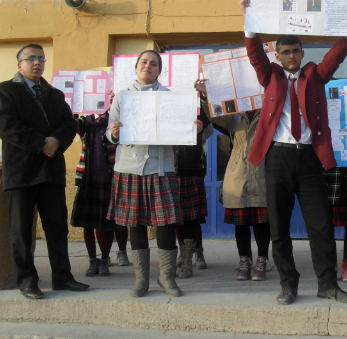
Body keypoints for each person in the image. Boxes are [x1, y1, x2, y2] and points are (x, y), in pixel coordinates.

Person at [240, 0, 347, 305]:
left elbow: (336, 55)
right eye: (285, 52)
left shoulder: (315, 75)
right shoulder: (270, 75)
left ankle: (328, 284)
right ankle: (288, 285)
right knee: (279, 228)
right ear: (278, 55)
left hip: (309, 158)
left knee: (321, 226)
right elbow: (254, 54)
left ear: (302, 52)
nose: (292, 55)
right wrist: (250, 19)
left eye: (295, 50)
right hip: (278, 158)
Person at [0, 44, 88, 299]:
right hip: (21, 172)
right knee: (21, 229)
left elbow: (69, 123)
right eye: (30, 58)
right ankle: (26, 280)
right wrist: (41, 143)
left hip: (51, 171)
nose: (36, 62)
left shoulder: (54, 94)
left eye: (40, 58)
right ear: (19, 64)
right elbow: (6, 126)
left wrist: (57, 141)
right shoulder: (4, 91)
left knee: (57, 226)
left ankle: (62, 277)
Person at [106, 50, 202, 298]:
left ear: (160, 70)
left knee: (166, 225)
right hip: (129, 168)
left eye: (153, 64)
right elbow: (110, 131)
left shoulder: (171, 98)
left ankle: (166, 278)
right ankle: (141, 280)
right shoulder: (122, 97)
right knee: (135, 225)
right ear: (136, 67)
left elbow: (182, 136)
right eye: (144, 63)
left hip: (162, 169)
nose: (148, 66)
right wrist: (113, 133)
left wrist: (194, 129)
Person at [195, 95, 272, 281]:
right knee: (241, 222)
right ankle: (244, 261)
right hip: (238, 174)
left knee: (262, 222)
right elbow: (215, 115)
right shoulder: (236, 113)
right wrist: (206, 96)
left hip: (263, 172)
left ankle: (262, 260)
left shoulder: (270, 110)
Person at [71, 93, 127, 277]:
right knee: (89, 223)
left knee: (107, 224)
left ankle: (104, 260)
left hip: (110, 177)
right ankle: (92, 260)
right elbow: (69, 125)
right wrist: (72, 100)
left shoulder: (114, 120)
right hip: (88, 178)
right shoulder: (84, 121)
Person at [174, 107, 211, 278]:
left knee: (192, 217)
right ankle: (183, 253)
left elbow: (210, 129)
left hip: (192, 165)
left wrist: (201, 128)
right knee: (175, 218)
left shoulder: (198, 105)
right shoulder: (164, 98)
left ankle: (196, 254)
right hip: (170, 167)